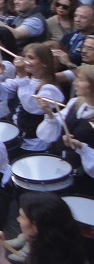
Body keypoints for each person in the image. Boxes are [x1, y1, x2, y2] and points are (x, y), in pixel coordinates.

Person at [36, 64, 94, 196]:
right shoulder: (75, 102)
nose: (75, 83)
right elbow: (58, 124)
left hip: (81, 180)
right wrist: (49, 113)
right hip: (59, 164)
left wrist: (81, 148)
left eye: (80, 80)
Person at [0, 193, 85, 264]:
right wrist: (0, 257)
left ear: (36, 227)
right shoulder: (61, 245)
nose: (18, 220)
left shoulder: (46, 258)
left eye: (22, 217)